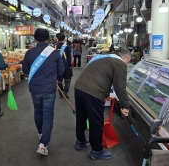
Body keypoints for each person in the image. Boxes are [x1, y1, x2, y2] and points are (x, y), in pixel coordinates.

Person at [74, 48, 131, 160]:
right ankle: (96, 151)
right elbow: (120, 87)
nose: (126, 64)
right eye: (127, 62)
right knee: (96, 121)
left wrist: (106, 93)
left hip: (79, 88)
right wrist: (125, 106)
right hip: (93, 92)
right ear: (125, 58)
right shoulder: (119, 63)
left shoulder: (103, 58)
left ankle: (80, 141)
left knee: (81, 117)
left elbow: (101, 76)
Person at [22, 28, 64, 156]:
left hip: (35, 88)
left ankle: (40, 133)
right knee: (48, 114)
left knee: (38, 111)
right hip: (49, 88)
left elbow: (25, 71)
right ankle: (43, 144)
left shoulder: (29, 53)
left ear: (35, 38)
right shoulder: (55, 53)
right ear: (48, 39)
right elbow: (61, 71)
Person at [55, 33, 72, 99]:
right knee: (67, 79)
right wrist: (70, 65)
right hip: (66, 65)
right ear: (64, 38)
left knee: (59, 80)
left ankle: (61, 93)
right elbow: (69, 57)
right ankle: (65, 91)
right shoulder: (67, 46)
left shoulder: (55, 46)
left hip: (57, 65)